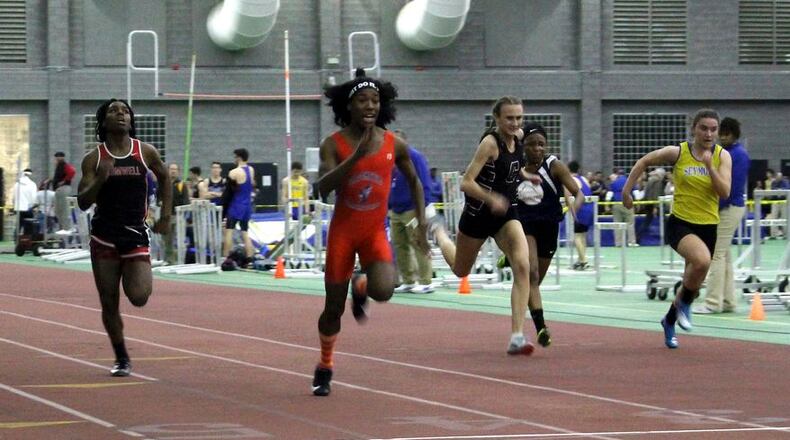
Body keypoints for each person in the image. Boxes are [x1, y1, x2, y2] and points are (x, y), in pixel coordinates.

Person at [312, 68, 429, 396]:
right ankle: (325, 365)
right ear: (348, 107)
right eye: (362, 100)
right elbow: (322, 188)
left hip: (374, 232)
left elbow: (415, 181)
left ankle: (361, 283)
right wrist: (357, 157)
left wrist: (420, 222)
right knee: (332, 309)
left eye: (375, 100)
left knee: (384, 291)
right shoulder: (333, 144)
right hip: (343, 235)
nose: (370, 106)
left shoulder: (394, 143)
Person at [431, 96, 536, 356]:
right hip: (479, 214)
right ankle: (438, 232)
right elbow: (466, 182)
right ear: (497, 119)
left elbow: (512, 168)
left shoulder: (520, 138)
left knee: (522, 265)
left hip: (506, 214)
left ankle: (517, 336)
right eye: (509, 118)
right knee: (460, 269)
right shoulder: (490, 144)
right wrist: (491, 198)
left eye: (518, 118)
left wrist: (526, 176)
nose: (514, 123)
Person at [77, 98, 172, 376]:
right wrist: (99, 179)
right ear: (103, 122)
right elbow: (83, 201)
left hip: (134, 234)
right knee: (109, 301)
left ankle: (133, 275)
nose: (120, 114)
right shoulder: (94, 158)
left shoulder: (145, 151)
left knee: (140, 296)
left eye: (125, 111)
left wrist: (166, 216)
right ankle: (121, 357)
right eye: (113, 111)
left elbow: (165, 178)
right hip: (105, 237)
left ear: (131, 120)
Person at [622, 108, 731, 349]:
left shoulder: (722, 157)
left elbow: (724, 192)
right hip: (681, 223)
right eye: (704, 128)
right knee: (701, 262)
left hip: (709, 226)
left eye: (713, 129)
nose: (708, 133)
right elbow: (644, 161)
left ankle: (669, 320)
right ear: (694, 128)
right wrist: (626, 190)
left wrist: (709, 167)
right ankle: (685, 305)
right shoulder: (678, 152)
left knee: (691, 279)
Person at [507, 123, 584, 347]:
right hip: (524, 225)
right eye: (532, 144)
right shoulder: (516, 167)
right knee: (529, 274)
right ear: (523, 146)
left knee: (535, 281)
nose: (537, 149)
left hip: (549, 227)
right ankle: (541, 327)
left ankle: (509, 260)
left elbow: (578, 193)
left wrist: (573, 210)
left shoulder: (554, 166)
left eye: (542, 144)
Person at [694, 117, 750, 314]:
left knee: (715, 255)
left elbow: (732, 187)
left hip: (729, 207)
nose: (723, 137)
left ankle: (711, 302)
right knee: (724, 256)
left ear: (734, 135)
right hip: (725, 207)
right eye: (722, 133)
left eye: (727, 134)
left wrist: (714, 208)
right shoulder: (725, 153)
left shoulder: (738, 155)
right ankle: (727, 301)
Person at [389, 129, 434, 294]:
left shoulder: (415, 157)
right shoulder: (391, 159)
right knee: (399, 246)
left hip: (412, 209)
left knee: (419, 243)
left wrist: (421, 210)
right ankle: (408, 280)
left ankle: (426, 281)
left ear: (404, 142)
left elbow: (424, 182)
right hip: (396, 209)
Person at [223, 148, 256, 261]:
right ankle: (250, 257)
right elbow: (251, 184)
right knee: (245, 232)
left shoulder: (233, 172)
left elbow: (228, 192)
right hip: (247, 205)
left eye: (235, 157)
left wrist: (224, 207)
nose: (234, 159)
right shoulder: (251, 170)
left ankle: (226, 257)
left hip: (236, 205)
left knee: (229, 231)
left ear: (239, 157)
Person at [162, 163, 191, 264]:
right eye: (171, 169)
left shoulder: (182, 185)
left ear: (178, 171)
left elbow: (186, 201)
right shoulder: (163, 183)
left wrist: (185, 215)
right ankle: (169, 260)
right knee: (167, 239)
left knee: (179, 239)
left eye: (175, 169)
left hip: (178, 216)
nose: (173, 171)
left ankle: (180, 260)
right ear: (168, 170)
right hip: (165, 216)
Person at [568, 161, 594, 270]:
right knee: (582, 235)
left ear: (568, 169)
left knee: (577, 236)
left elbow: (572, 194)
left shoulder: (573, 179)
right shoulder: (584, 179)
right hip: (590, 209)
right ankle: (580, 259)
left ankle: (584, 261)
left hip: (581, 209)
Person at [636, 167, 666, 244]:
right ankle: (667, 239)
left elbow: (646, 193)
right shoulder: (658, 182)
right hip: (656, 204)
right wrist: (656, 207)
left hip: (648, 204)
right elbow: (656, 194)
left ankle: (638, 237)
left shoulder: (650, 180)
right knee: (665, 222)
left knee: (647, 221)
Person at [610, 168, 638, 246]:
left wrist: (607, 205)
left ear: (618, 174)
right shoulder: (630, 181)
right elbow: (636, 193)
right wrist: (638, 203)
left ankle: (618, 243)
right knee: (630, 223)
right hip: (628, 203)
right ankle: (631, 242)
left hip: (616, 204)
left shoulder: (614, 182)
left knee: (617, 223)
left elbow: (609, 195)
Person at [50, 152, 76, 233]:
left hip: (63, 189)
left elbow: (72, 171)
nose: (57, 159)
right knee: (58, 210)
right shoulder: (59, 166)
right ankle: (63, 227)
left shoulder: (64, 165)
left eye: (58, 157)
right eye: (56, 157)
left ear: (62, 157)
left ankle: (67, 228)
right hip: (59, 190)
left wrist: (64, 181)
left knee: (64, 209)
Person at [12, 168, 38, 236]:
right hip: (27, 208)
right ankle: (27, 240)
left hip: (18, 208)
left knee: (18, 225)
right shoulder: (32, 184)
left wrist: (14, 205)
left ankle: (16, 239)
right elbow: (33, 198)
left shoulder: (17, 184)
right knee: (29, 225)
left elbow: (14, 196)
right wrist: (34, 206)